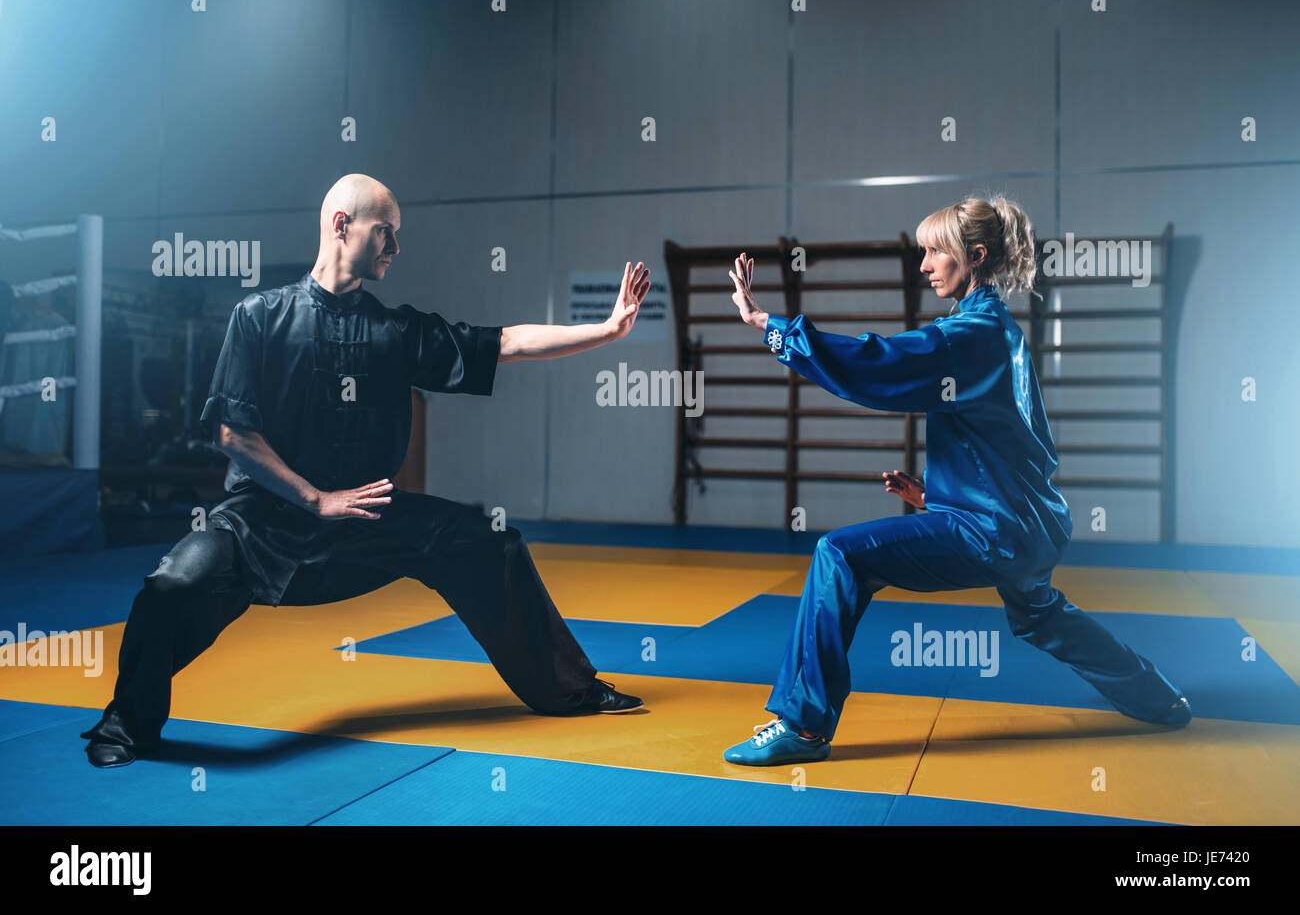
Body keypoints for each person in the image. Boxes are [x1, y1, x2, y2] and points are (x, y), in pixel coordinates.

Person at [81, 173, 649, 768]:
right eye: (387, 233)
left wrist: (606, 330)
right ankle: (127, 724)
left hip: (365, 515)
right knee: (173, 584)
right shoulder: (259, 316)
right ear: (341, 225)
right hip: (262, 520)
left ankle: (570, 688)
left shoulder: (395, 331)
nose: (396, 249)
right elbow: (232, 434)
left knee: (491, 544)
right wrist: (314, 498)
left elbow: (504, 341)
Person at [721, 195, 1191, 767]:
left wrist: (768, 325)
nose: (923, 265)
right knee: (1040, 613)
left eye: (934, 252)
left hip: (991, 530)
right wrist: (935, 494)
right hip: (1030, 526)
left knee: (838, 557)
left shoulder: (965, 337)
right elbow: (1019, 441)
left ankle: (803, 727)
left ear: (975, 255)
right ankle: (1162, 699)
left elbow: (872, 364)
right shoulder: (1002, 334)